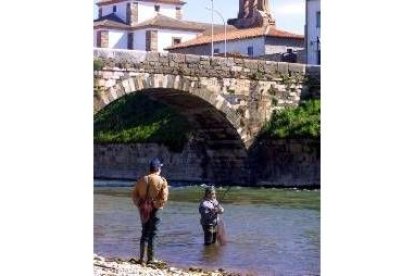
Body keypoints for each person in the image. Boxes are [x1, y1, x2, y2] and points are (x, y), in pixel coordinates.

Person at [132, 158, 169, 265]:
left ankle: (141, 259)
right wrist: (157, 205)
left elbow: (134, 195)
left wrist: (140, 204)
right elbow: (164, 197)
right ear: (158, 168)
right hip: (155, 209)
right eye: (160, 167)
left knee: (144, 232)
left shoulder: (141, 179)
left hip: (143, 208)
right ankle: (151, 259)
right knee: (153, 233)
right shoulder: (162, 180)